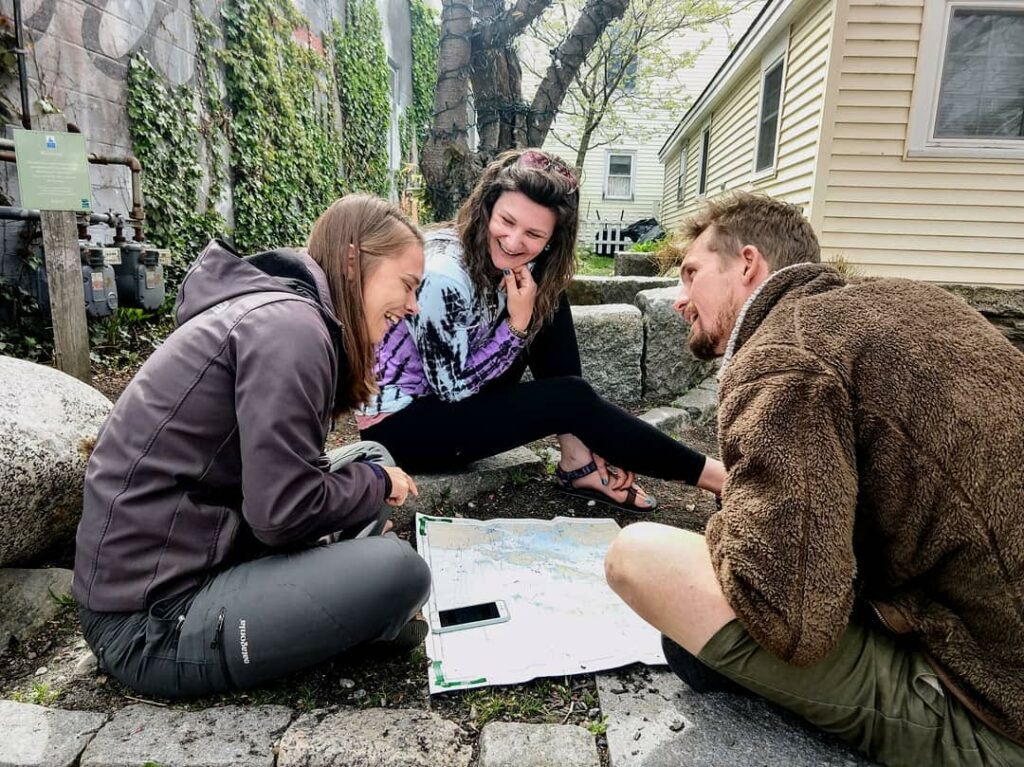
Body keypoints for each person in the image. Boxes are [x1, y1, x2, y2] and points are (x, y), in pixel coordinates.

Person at [604, 193, 1024, 766]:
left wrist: (731, 519)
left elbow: (794, 619)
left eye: (691, 273)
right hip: (995, 627)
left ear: (747, 264)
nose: (679, 299)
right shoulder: (919, 301)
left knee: (642, 559)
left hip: (999, 712)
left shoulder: (782, 355)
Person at [72, 194, 432, 699]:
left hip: (209, 546)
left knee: (375, 457)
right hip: (150, 621)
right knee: (401, 571)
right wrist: (371, 489)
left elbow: (280, 485)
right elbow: (282, 513)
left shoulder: (282, 313)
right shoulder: (293, 330)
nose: (413, 306)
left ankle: (346, 579)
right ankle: (364, 600)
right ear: (354, 262)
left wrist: (367, 485)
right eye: (408, 285)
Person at [359, 148, 724, 510]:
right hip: (404, 428)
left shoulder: (513, 262)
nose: (514, 241)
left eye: (534, 234)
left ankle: (577, 458)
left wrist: (524, 316)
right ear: (486, 207)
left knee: (547, 295)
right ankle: (716, 478)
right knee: (568, 397)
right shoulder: (444, 276)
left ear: (553, 239)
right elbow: (451, 390)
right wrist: (516, 327)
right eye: (506, 221)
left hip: (451, 398)